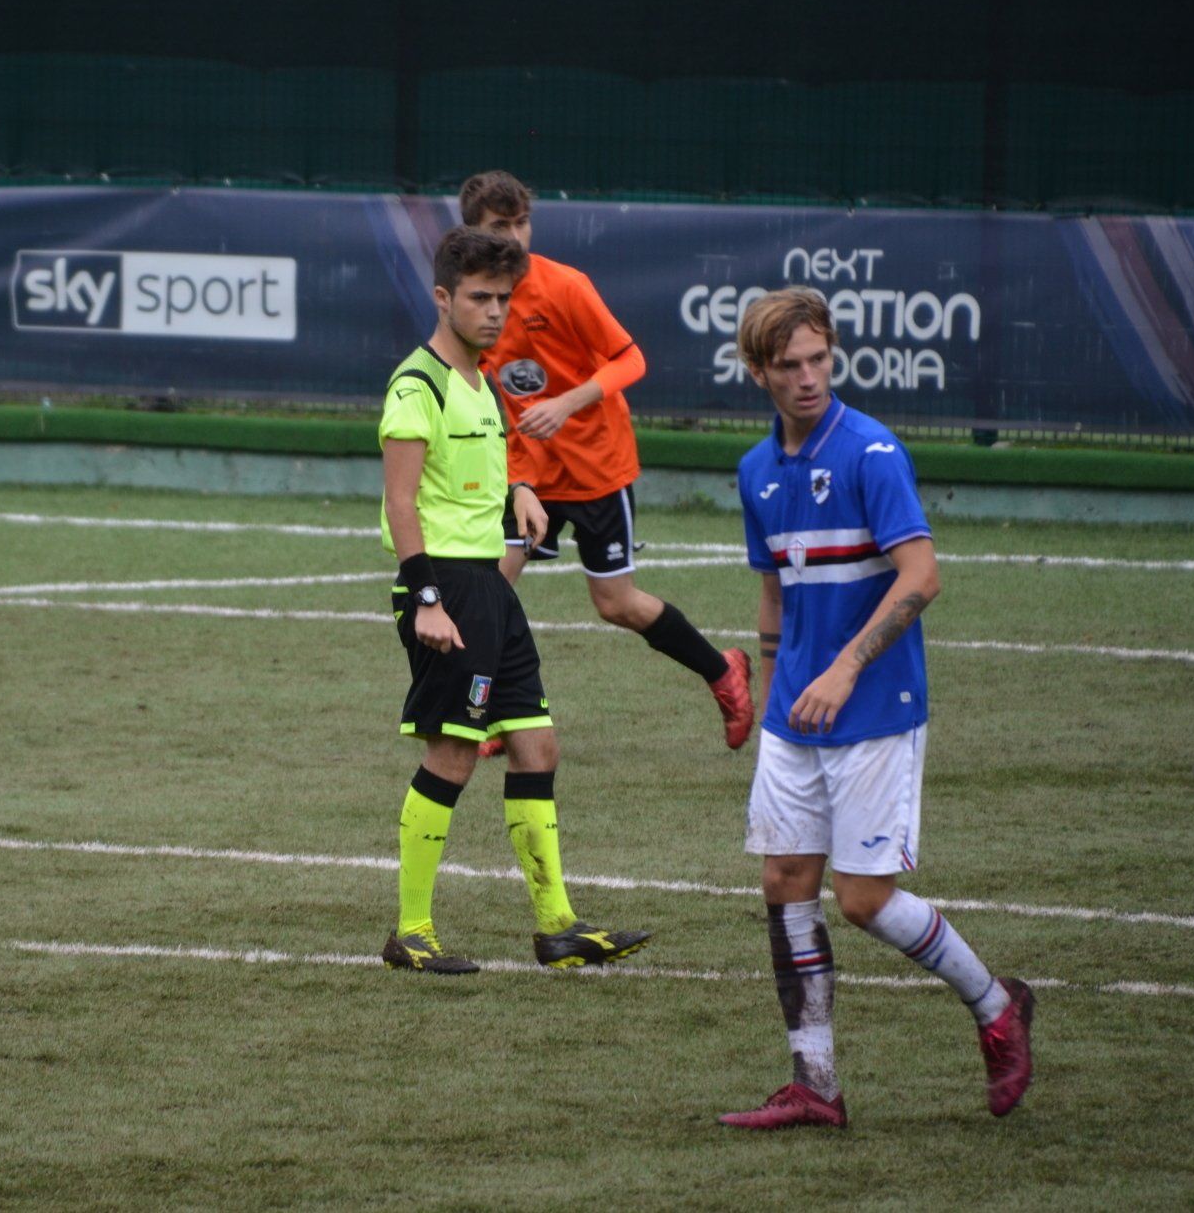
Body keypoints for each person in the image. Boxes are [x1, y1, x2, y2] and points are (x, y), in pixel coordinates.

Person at [718, 286, 1033, 1129]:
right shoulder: (756, 472)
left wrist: (848, 668)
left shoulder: (872, 453)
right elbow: (775, 594)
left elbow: (922, 577)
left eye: (820, 359)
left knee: (862, 901)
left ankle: (997, 1005)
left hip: (874, 706)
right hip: (796, 715)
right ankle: (815, 1085)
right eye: (790, 366)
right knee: (785, 882)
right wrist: (777, 685)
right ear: (759, 372)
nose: (810, 378)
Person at [377, 225, 651, 974]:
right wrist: (426, 599)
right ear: (443, 298)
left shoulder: (482, 382)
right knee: (455, 752)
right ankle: (410, 930)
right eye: (479, 298)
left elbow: (481, 468)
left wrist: (520, 489)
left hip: (491, 591)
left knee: (537, 744)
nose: (495, 312)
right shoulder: (418, 385)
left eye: (503, 298)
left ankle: (557, 926)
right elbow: (402, 504)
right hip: (447, 589)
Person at [457, 170, 753, 756]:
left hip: (595, 467)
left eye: (521, 222)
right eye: (499, 226)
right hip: (528, 477)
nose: (515, 236)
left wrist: (568, 403)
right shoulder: (476, 305)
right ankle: (488, 712)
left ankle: (723, 670)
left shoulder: (565, 287)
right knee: (490, 588)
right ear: (473, 234)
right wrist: (511, 472)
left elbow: (630, 359)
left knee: (615, 604)